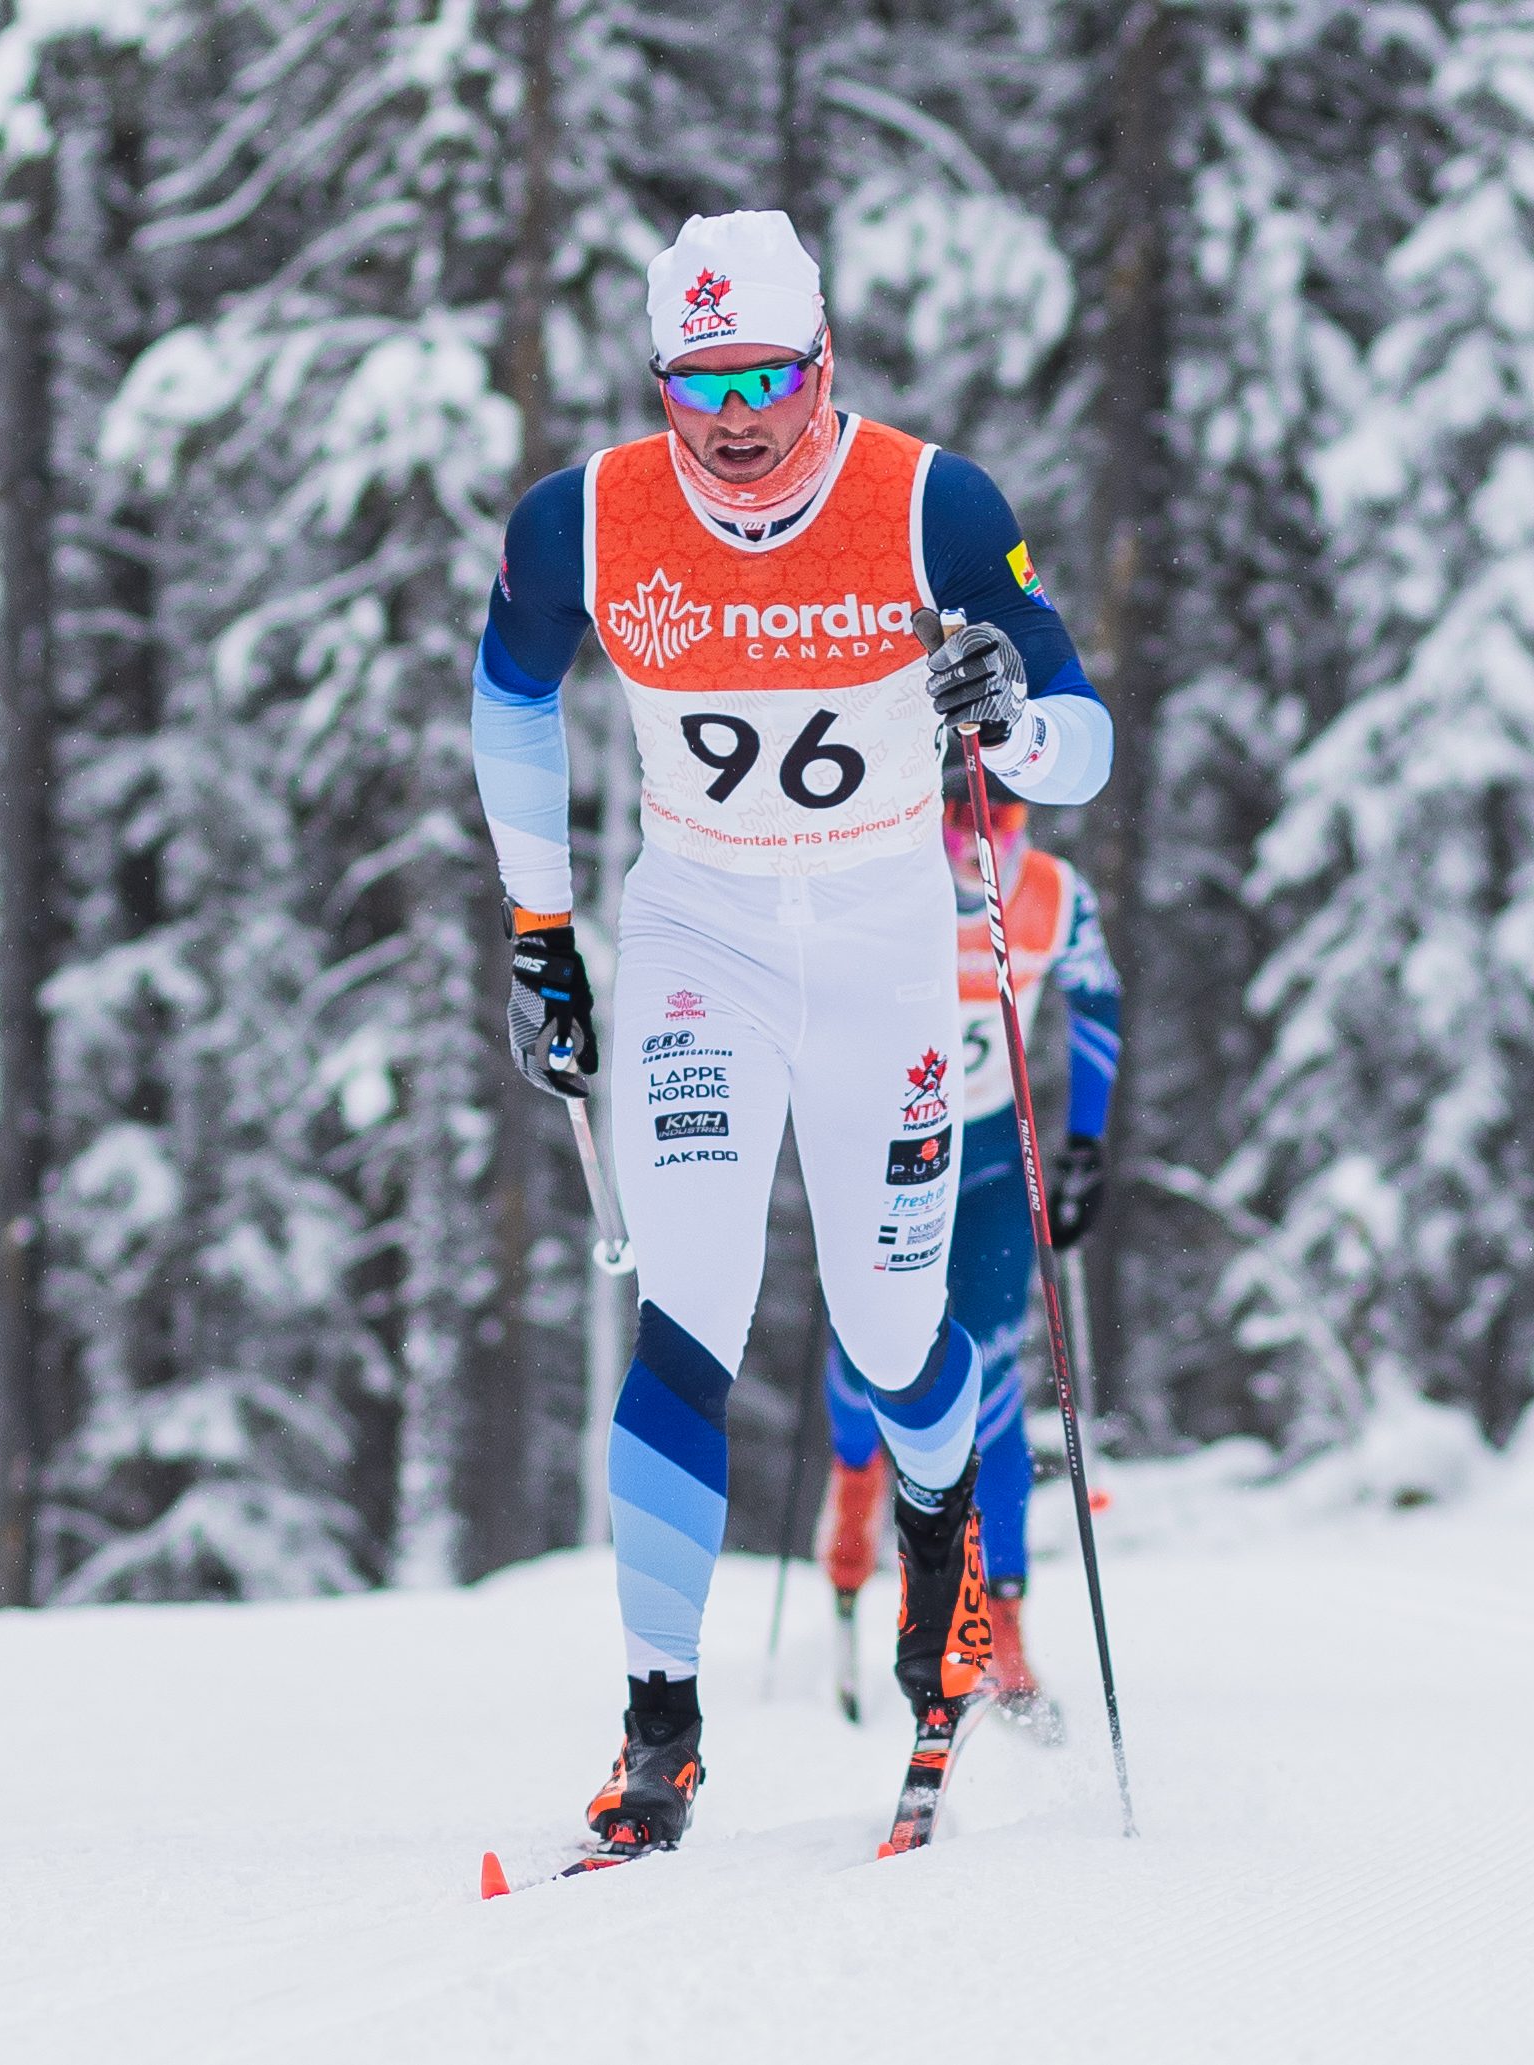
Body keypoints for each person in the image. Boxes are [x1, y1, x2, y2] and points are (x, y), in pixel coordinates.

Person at [474, 210, 1110, 1858]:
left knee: (897, 1340)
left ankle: (933, 1560)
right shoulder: (589, 522)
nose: (738, 418)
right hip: (704, 935)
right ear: (659, 383)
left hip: (892, 945)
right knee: (687, 1313)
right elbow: (510, 693)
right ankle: (657, 1733)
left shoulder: (929, 503)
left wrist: (1012, 719)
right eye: (700, 385)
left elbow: (1083, 735)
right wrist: (540, 927)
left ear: (821, 364)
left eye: (767, 376)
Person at [817, 775, 1121, 1733]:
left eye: (999, 816)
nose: (977, 836)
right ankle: (855, 1496)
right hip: (888, 1151)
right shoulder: (878, 880)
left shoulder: (1053, 896)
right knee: (872, 1358)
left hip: (991, 1156)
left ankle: (1001, 1620)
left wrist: (1086, 1143)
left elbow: (1099, 1001)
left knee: (989, 1364)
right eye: (957, 813)